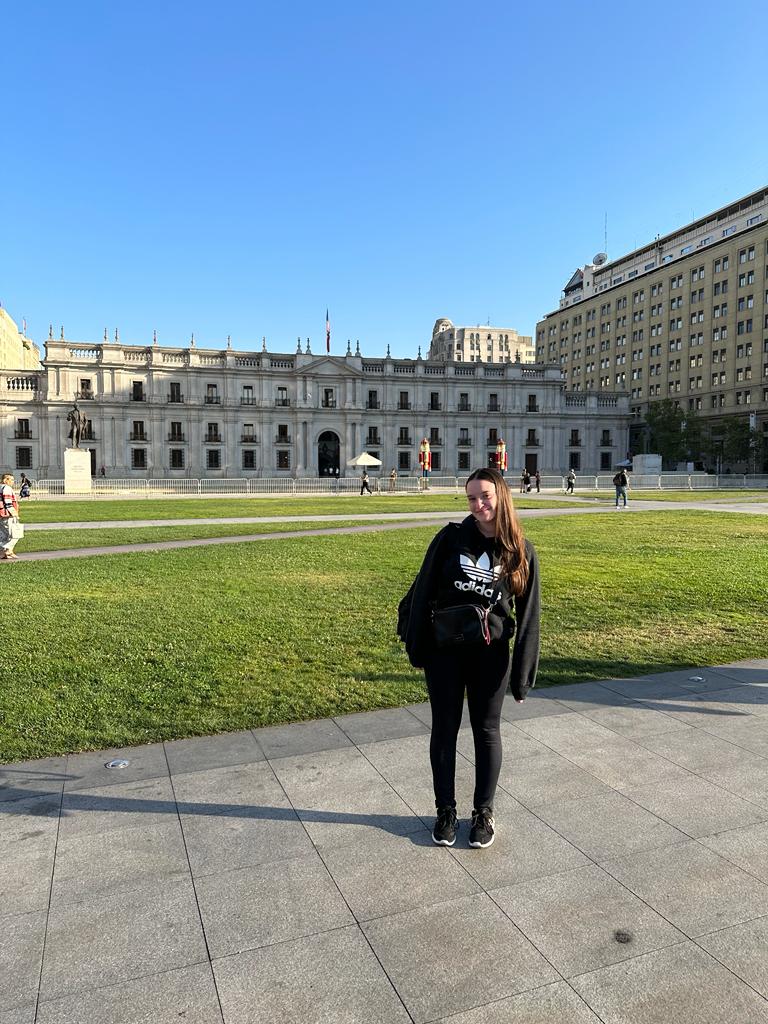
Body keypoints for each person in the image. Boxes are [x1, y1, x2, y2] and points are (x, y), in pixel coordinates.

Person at [398, 467, 540, 850]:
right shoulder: (449, 540)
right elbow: (422, 588)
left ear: (501, 498)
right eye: (471, 499)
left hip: (490, 655)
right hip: (444, 653)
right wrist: (416, 644)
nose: (478, 506)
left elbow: (528, 617)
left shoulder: (520, 551)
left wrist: (522, 677)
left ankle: (483, 813)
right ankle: (445, 811)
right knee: (444, 729)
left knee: (487, 731)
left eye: (485, 497)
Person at [0, 474, 22, 560]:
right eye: (11, 480)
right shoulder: (7, 488)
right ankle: (7, 550)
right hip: (7, 514)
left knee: (4, 535)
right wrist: (14, 513)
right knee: (15, 533)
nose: (13, 482)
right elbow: (8, 502)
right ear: (6, 480)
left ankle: (7, 553)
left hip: (1, 514)